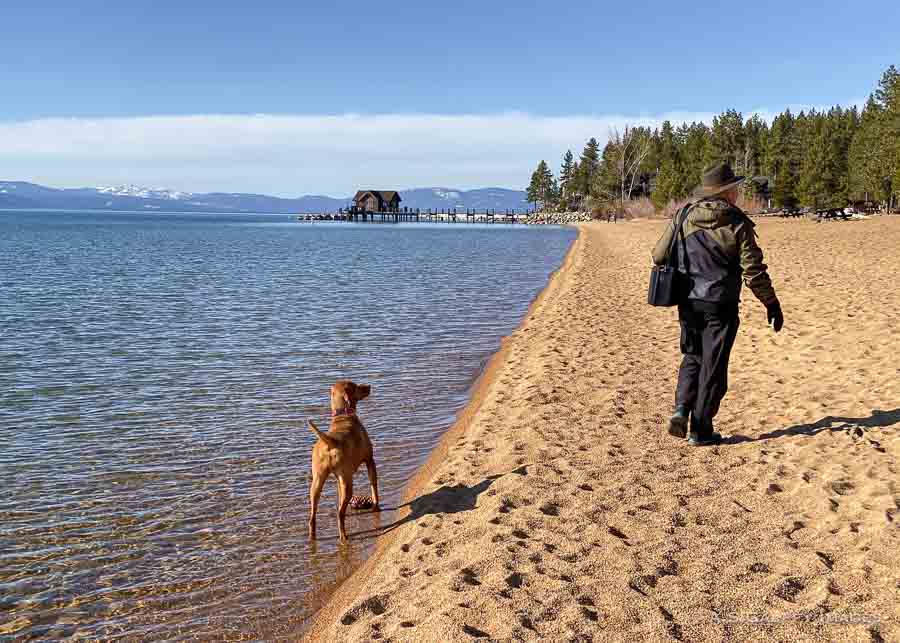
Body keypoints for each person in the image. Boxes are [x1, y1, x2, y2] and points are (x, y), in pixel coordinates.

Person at [652, 162, 784, 446]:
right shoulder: (737, 222)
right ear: (727, 192)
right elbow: (753, 270)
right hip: (720, 304)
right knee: (714, 366)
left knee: (692, 356)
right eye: (734, 188)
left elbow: (658, 255)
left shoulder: (683, 215)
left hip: (688, 301)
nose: (737, 192)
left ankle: (680, 409)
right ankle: (700, 429)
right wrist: (771, 303)